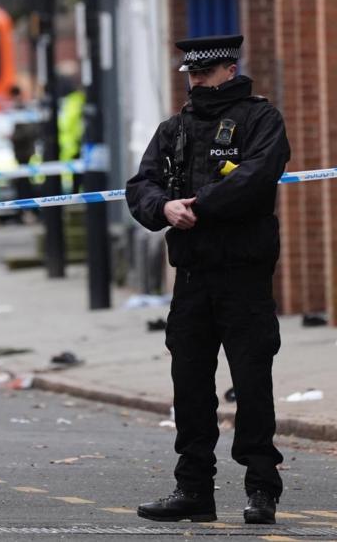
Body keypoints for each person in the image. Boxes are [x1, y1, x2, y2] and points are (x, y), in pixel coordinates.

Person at [126, 35, 291, 525]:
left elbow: (258, 176)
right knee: (190, 386)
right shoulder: (174, 128)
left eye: (206, 72)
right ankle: (193, 489)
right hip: (193, 277)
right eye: (192, 73)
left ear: (229, 69)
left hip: (244, 274)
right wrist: (163, 207)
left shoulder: (261, 119)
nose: (197, 80)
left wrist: (198, 206)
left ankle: (261, 488)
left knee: (251, 383)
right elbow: (141, 186)